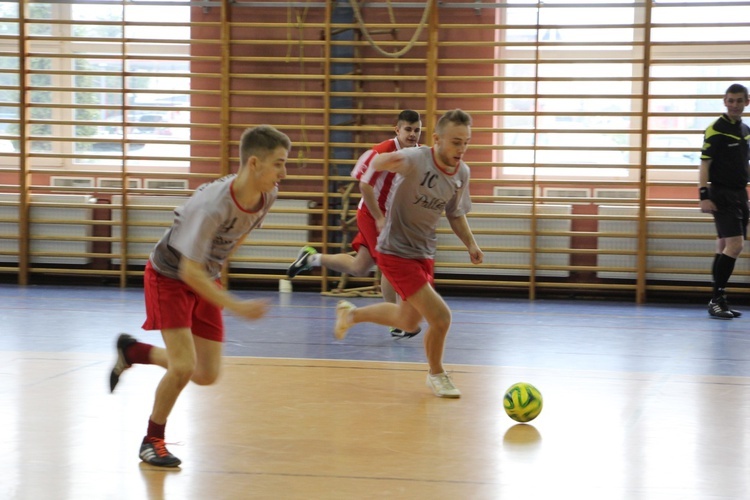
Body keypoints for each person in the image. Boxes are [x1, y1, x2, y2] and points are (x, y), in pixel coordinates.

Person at [108, 125, 291, 467]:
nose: (284, 172)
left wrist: (216, 275)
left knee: (205, 373)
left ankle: (133, 351)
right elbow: (187, 272)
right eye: (279, 163)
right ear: (254, 163)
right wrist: (235, 305)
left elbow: (235, 239)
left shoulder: (267, 196)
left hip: (203, 275)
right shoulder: (211, 206)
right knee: (183, 366)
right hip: (169, 276)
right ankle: (152, 440)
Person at [331, 109, 483, 398]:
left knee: (407, 320)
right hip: (395, 248)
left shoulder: (461, 173)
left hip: (423, 251)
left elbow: (455, 214)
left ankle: (350, 315)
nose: (461, 149)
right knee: (440, 317)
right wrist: (382, 160)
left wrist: (471, 244)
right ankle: (437, 374)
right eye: (455, 142)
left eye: (466, 142)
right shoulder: (415, 158)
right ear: (436, 139)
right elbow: (375, 162)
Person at [287, 109, 423, 338]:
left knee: (359, 267)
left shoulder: (418, 155)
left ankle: (311, 258)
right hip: (372, 215)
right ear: (397, 129)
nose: (412, 135)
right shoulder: (380, 153)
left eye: (417, 130)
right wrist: (379, 217)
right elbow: (364, 185)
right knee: (390, 264)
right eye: (408, 129)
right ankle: (398, 321)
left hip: (391, 218)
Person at [699, 83, 750, 319]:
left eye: (739, 100)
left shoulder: (745, 130)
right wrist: (704, 194)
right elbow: (705, 164)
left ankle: (718, 300)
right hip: (721, 193)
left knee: (722, 246)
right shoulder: (715, 129)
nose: (735, 105)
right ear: (724, 101)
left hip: (740, 194)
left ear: (746, 102)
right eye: (731, 100)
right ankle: (717, 299)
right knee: (735, 245)